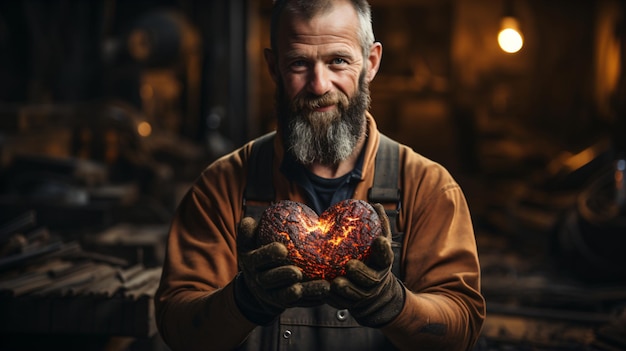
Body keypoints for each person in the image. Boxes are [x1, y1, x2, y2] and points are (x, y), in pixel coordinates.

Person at [154, 0, 485, 350]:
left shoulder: (429, 188)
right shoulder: (219, 188)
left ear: (370, 63)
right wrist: (243, 301)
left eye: (338, 61)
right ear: (273, 67)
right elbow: (178, 328)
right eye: (299, 63)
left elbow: (461, 330)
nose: (318, 85)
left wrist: (392, 303)